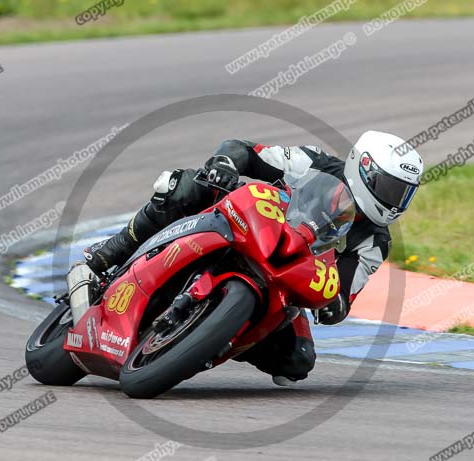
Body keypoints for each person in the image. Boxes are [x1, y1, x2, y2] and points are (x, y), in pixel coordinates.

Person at [84, 131, 424, 385]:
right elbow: (245, 150)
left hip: (285, 278)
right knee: (186, 187)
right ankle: (109, 253)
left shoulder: (375, 243)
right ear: (363, 169)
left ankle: (209, 338)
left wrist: (333, 305)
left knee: (298, 361)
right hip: (250, 224)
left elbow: (342, 295)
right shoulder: (315, 162)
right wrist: (225, 164)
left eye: (404, 193)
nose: (395, 202)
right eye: (391, 188)